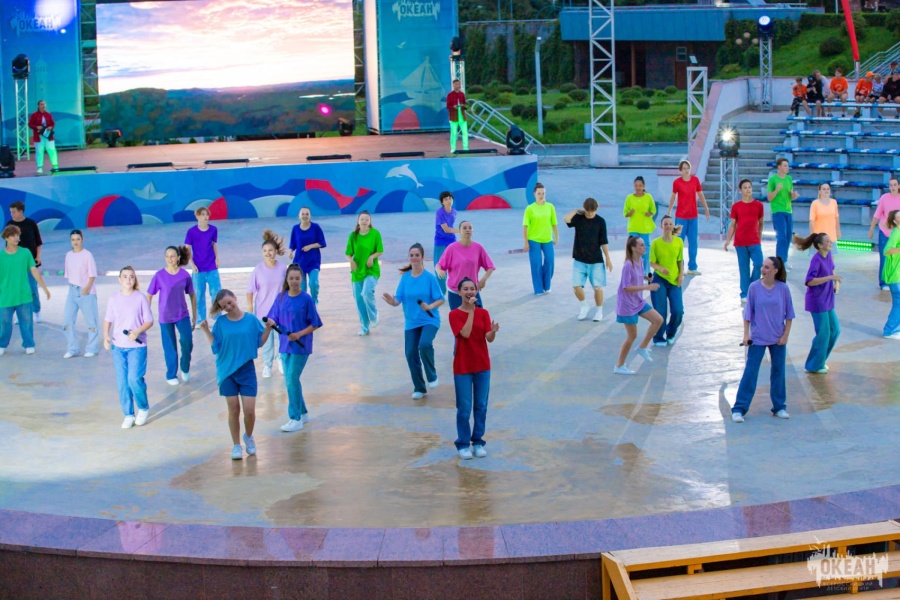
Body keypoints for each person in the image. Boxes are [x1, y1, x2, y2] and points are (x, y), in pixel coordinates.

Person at [199, 290, 265, 460]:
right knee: (234, 409)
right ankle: (236, 445)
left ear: (235, 298)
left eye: (229, 302)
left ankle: (248, 437)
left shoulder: (251, 319)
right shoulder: (221, 323)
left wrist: (270, 329)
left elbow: (259, 342)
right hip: (227, 370)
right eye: (224, 306)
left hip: (246, 369)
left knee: (249, 411)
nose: (228, 307)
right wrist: (206, 330)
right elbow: (216, 347)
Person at [731, 256, 795, 423]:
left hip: (778, 338)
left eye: (767, 267)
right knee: (750, 372)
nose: (763, 269)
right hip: (758, 337)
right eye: (763, 266)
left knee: (779, 372)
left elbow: (789, 315)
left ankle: (779, 407)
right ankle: (739, 408)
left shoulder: (783, 288)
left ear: (775, 270)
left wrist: (785, 336)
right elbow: (748, 315)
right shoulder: (754, 287)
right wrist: (746, 335)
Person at [382, 243, 444, 399]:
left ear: (422, 257)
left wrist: (430, 306)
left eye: (417, 255)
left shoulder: (429, 278)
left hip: (429, 320)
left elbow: (441, 299)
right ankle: (419, 388)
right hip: (411, 322)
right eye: (411, 255)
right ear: (408, 257)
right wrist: (392, 302)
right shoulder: (405, 278)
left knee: (424, 344)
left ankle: (431, 375)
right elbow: (398, 300)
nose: (414, 258)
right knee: (410, 353)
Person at [266, 264, 323, 432]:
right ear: (286, 279)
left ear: (301, 279)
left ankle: (295, 418)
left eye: (297, 278)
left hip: (301, 346)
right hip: (285, 345)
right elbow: (274, 317)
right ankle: (303, 413)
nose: (294, 281)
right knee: (291, 380)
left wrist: (298, 334)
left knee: (291, 378)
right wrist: (271, 322)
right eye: (291, 278)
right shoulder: (281, 297)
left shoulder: (306, 299)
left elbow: (315, 323)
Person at [449, 278, 499, 460]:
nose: (469, 292)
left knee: (481, 406)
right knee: (464, 408)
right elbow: (465, 333)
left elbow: (489, 338)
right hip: (463, 367)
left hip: (482, 365)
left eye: (472, 288)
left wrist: (493, 331)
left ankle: (478, 442)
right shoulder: (454, 315)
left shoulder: (484, 313)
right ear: (459, 292)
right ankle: (463, 444)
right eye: (466, 289)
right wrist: (471, 311)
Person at [103, 266, 154, 429]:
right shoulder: (113, 298)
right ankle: (128, 414)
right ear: (119, 279)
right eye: (125, 276)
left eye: (131, 277)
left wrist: (137, 331)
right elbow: (108, 319)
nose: (128, 279)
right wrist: (106, 335)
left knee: (134, 379)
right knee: (123, 382)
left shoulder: (140, 298)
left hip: (136, 347)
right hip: (118, 347)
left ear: (135, 279)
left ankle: (143, 407)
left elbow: (149, 321)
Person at [147, 246, 197, 385]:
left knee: (187, 341)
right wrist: (147, 314)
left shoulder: (185, 275)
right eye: (167, 256)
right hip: (165, 317)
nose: (170, 259)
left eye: (172, 256)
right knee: (169, 346)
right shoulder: (159, 275)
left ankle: (185, 367)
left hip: (182, 314)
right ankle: (171, 374)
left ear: (178, 257)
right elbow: (149, 294)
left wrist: (195, 316)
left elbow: (192, 295)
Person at [614, 236, 663, 375]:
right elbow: (626, 287)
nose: (644, 247)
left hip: (638, 301)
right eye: (641, 245)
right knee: (632, 336)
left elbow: (636, 276)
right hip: (627, 305)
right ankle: (619, 366)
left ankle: (642, 348)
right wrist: (647, 287)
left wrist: (646, 278)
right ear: (633, 248)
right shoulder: (627, 265)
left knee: (658, 320)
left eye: (644, 244)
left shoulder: (640, 261)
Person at [793, 233, 841, 374]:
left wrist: (836, 282)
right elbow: (809, 281)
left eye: (830, 240)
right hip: (817, 301)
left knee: (835, 330)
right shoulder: (816, 260)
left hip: (828, 299)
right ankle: (813, 365)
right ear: (820, 245)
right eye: (827, 241)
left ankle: (820, 359)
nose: (830, 243)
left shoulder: (829, 256)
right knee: (823, 333)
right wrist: (830, 278)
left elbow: (832, 269)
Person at [0, 224, 50, 356]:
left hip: (24, 295)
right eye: (13, 235)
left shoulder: (25, 252)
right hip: (5, 297)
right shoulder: (1, 256)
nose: (16, 238)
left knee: (26, 322)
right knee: (4, 323)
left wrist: (44, 288)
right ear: (6, 237)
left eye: (18, 235)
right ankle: (2, 344)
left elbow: (34, 271)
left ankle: (29, 344)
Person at [247, 230, 288, 378]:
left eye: (270, 250)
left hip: (280, 311)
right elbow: (250, 291)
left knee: (281, 338)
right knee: (267, 341)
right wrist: (250, 308)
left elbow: (288, 288)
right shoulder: (258, 270)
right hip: (264, 312)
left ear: (276, 251)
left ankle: (280, 358)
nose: (268, 253)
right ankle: (267, 365)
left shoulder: (283, 268)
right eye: (265, 251)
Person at [563, 197, 611, 321]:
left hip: (596, 260)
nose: (589, 213)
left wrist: (608, 258)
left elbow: (604, 241)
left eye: (592, 211)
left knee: (597, 287)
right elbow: (566, 219)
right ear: (584, 208)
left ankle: (599, 311)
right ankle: (584, 305)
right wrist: (576, 211)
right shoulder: (579, 218)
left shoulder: (600, 221)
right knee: (576, 285)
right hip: (579, 259)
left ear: (596, 209)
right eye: (588, 211)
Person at [436, 221, 495, 310]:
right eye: (464, 228)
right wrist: (439, 271)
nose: (468, 230)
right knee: (458, 318)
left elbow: (490, 267)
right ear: (459, 231)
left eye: (470, 228)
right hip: (455, 292)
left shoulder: (478, 248)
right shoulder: (451, 248)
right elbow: (439, 265)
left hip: (472, 292)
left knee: (479, 316)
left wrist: (483, 280)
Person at [724, 179, 765, 304]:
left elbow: (761, 223)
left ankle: (753, 288)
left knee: (759, 263)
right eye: (745, 187)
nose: (748, 189)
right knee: (744, 269)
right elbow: (733, 224)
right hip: (740, 242)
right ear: (740, 190)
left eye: (749, 187)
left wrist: (759, 237)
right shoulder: (736, 206)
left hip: (754, 241)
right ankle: (745, 293)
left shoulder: (758, 205)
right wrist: (728, 240)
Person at [666, 160, 709, 275]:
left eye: (688, 168)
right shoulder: (677, 182)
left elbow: (700, 194)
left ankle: (692, 267)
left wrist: (706, 208)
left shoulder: (695, 180)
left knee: (693, 242)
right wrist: (669, 211)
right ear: (680, 170)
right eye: (684, 168)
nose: (686, 170)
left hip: (693, 217)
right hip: (680, 217)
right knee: (678, 242)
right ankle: (679, 267)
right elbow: (673, 197)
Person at [345, 211, 384, 336]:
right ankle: (365, 327)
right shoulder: (353, 236)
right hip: (357, 272)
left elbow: (380, 250)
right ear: (358, 221)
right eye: (362, 219)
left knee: (366, 292)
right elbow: (348, 253)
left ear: (370, 221)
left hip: (371, 270)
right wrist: (351, 261)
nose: (364, 221)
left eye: (367, 219)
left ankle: (374, 315)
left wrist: (372, 257)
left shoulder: (375, 234)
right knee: (359, 301)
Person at [63, 229, 100, 359]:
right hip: (72, 291)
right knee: (67, 321)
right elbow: (69, 274)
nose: (76, 242)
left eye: (78, 239)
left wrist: (87, 288)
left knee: (91, 321)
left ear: (82, 239)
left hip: (86, 291)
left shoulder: (87, 255)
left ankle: (92, 348)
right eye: (73, 240)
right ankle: (72, 348)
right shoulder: (68, 255)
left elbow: (92, 274)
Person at [649, 216, 685, 347]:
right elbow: (652, 262)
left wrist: (681, 275)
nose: (668, 226)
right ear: (661, 226)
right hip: (659, 280)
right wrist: (660, 268)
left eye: (670, 224)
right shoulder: (656, 243)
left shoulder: (679, 242)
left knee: (678, 310)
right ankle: (658, 337)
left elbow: (680, 260)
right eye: (665, 224)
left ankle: (671, 332)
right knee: (660, 311)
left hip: (674, 280)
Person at [6, 201, 43, 321]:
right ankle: (20, 314)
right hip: (15, 264)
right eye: (11, 212)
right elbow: (7, 246)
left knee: (32, 288)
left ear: (21, 211)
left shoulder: (31, 224)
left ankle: (36, 311)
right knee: (17, 289)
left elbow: (38, 242)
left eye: (13, 212)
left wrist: (38, 257)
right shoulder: (10, 225)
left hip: (30, 263)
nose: (11, 214)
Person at [184, 207, 220, 325]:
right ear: (197, 216)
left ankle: (217, 317)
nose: (205, 217)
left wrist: (217, 258)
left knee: (216, 293)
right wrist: (192, 264)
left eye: (207, 214)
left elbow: (214, 244)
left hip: (212, 267)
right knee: (199, 295)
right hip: (198, 269)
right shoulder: (191, 232)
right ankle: (201, 320)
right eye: (203, 214)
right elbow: (187, 249)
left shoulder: (213, 230)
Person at [523, 182, 558, 295]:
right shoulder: (530, 209)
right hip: (533, 240)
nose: (541, 195)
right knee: (536, 263)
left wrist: (556, 237)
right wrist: (525, 242)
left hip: (547, 239)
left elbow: (554, 223)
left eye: (543, 193)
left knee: (550, 261)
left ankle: (547, 285)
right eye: (539, 193)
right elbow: (525, 226)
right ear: (534, 194)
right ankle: (538, 289)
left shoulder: (550, 207)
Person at [767, 158, 800, 272]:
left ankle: (784, 260)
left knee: (788, 237)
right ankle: (779, 262)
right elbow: (769, 197)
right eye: (785, 165)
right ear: (779, 167)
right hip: (778, 211)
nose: (787, 168)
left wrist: (794, 196)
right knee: (781, 237)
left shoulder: (789, 179)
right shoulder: (773, 179)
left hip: (788, 210)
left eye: (787, 165)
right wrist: (776, 190)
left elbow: (790, 196)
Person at [288, 207, 327, 304]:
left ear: (310, 216)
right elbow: (293, 243)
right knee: (302, 287)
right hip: (300, 262)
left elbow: (322, 242)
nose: (305, 216)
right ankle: (305, 306)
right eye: (303, 214)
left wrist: (311, 246)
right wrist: (291, 252)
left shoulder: (316, 227)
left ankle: (314, 302)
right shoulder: (295, 229)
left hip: (313, 261)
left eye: (307, 214)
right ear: (299, 216)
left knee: (313, 284)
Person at [869, 177, 900, 290]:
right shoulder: (884, 198)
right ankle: (884, 283)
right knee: (884, 257)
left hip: (898, 234)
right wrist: (871, 228)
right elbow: (877, 214)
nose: (893, 187)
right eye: (891, 185)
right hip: (885, 233)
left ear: (898, 186)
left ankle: (896, 279)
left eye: (895, 185)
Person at [623, 176, 656, 276]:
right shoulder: (629, 198)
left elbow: (653, 210)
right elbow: (625, 213)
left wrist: (649, 214)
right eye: (636, 185)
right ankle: (633, 271)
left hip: (645, 228)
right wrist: (630, 213)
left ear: (643, 186)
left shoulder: (648, 197)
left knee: (645, 250)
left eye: (640, 185)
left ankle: (646, 271)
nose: (638, 187)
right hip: (633, 228)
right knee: (633, 249)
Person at [433, 191, 458, 297]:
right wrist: (460, 230)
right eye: (446, 199)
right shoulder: (439, 213)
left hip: (451, 241)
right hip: (440, 242)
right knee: (439, 266)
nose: (449, 201)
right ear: (442, 202)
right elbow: (446, 229)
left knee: (455, 265)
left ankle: (455, 288)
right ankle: (440, 292)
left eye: (450, 198)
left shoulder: (454, 212)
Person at [882, 209, 900, 339]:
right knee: (898, 303)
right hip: (895, 275)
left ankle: (893, 328)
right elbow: (887, 250)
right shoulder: (896, 233)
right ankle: (889, 330)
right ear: (895, 221)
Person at [27, 100, 58, 174]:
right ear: (38, 106)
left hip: (48, 135)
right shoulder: (34, 115)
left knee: (51, 150)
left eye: (44, 104)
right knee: (39, 151)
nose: (43, 106)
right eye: (41, 104)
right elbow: (30, 124)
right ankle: (40, 167)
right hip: (38, 136)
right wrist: (36, 127)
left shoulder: (48, 114)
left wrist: (51, 127)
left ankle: (55, 166)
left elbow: (53, 123)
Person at [447, 79, 469, 152]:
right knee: (454, 134)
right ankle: (453, 149)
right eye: (456, 84)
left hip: (462, 117)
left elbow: (465, 104)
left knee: (465, 133)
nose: (457, 85)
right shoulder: (450, 95)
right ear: (453, 85)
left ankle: (465, 148)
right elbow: (448, 106)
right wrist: (453, 107)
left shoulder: (462, 94)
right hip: (453, 117)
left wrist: (466, 106)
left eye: (458, 84)